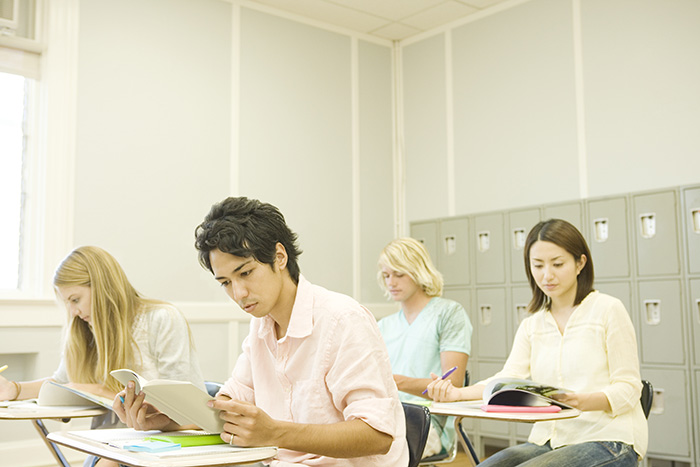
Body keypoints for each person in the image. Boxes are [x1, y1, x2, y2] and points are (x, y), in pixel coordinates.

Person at [115, 196, 409, 466]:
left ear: (279, 257)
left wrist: (276, 432)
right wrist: (170, 420)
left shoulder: (342, 320)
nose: (239, 293)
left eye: (245, 273)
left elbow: (377, 435)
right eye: (226, 283)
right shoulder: (262, 325)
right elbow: (229, 405)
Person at [427, 219, 648, 466]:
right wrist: (456, 393)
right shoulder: (532, 325)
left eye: (557, 264)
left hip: (608, 439)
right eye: (538, 265)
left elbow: (629, 388)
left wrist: (580, 401)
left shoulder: (608, 310)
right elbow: (505, 380)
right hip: (549, 441)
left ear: (580, 263)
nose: (547, 275)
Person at [0, 246, 205, 467]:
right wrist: (14, 389)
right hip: (107, 445)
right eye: (67, 303)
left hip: (158, 446)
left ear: (101, 286)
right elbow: (61, 384)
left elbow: (187, 408)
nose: (72, 312)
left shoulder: (161, 320)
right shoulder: (87, 331)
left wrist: (97, 390)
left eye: (75, 299)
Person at [377, 237, 472, 458]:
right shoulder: (384, 325)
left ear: (419, 271)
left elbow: (452, 385)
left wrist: (395, 381)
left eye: (399, 274)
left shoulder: (449, 314)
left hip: (425, 423)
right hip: (386, 418)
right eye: (386, 275)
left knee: (371, 454)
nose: (391, 282)